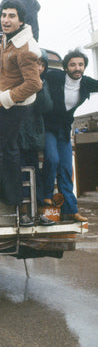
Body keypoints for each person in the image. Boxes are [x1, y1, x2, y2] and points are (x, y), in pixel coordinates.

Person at [0, 0, 43, 224]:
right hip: (12, 104)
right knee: (10, 152)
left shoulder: (27, 48)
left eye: (11, 16)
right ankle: (15, 201)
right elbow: (4, 51)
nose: (5, 19)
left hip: (15, 107)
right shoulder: (10, 39)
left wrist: (4, 99)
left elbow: (34, 84)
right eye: (3, 15)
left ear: (21, 20)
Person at [42, 49, 98, 222]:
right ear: (66, 67)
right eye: (73, 64)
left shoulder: (86, 83)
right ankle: (45, 197)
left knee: (66, 169)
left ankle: (71, 210)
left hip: (65, 129)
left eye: (80, 64)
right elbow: (38, 73)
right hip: (48, 126)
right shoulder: (55, 77)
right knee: (52, 159)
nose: (77, 68)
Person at [18, 51, 55, 226]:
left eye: (42, 65)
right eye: (36, 63)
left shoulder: (43, 84)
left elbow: (46, 107)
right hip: (16, 136)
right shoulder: (17, 79)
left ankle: (39, 212)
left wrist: (39, 89)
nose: (38, 67)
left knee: (35, 176)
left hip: (32, 138)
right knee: (17, 175)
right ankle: (23, 213)